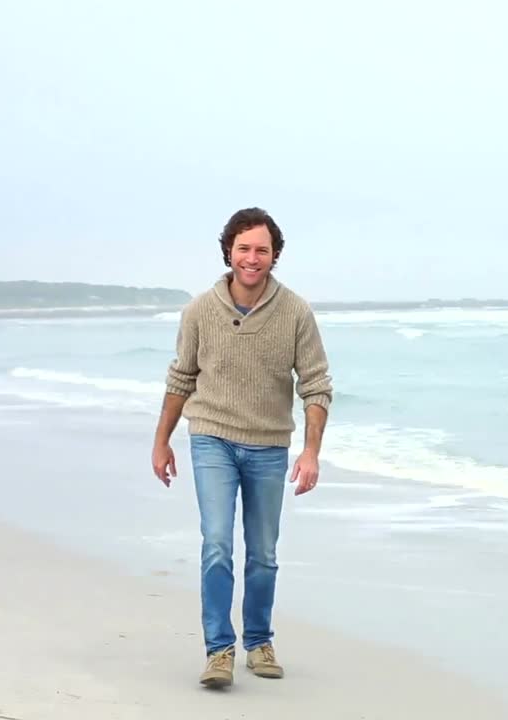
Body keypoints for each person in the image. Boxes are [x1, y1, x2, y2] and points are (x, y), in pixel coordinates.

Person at [150, 207, 333, 689]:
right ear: (229, 251)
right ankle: (219, 651)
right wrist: (161, 440)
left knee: (264, 552)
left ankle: (258, 641)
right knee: (216, 544)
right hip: (211, 437)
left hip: (269, 445)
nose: (252, 258)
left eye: (262, 250)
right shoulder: (199, 311)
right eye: (244, 248)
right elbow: (181, 378)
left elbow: (315, 385)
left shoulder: (295, 312)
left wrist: (311, 453)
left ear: (275, 257)